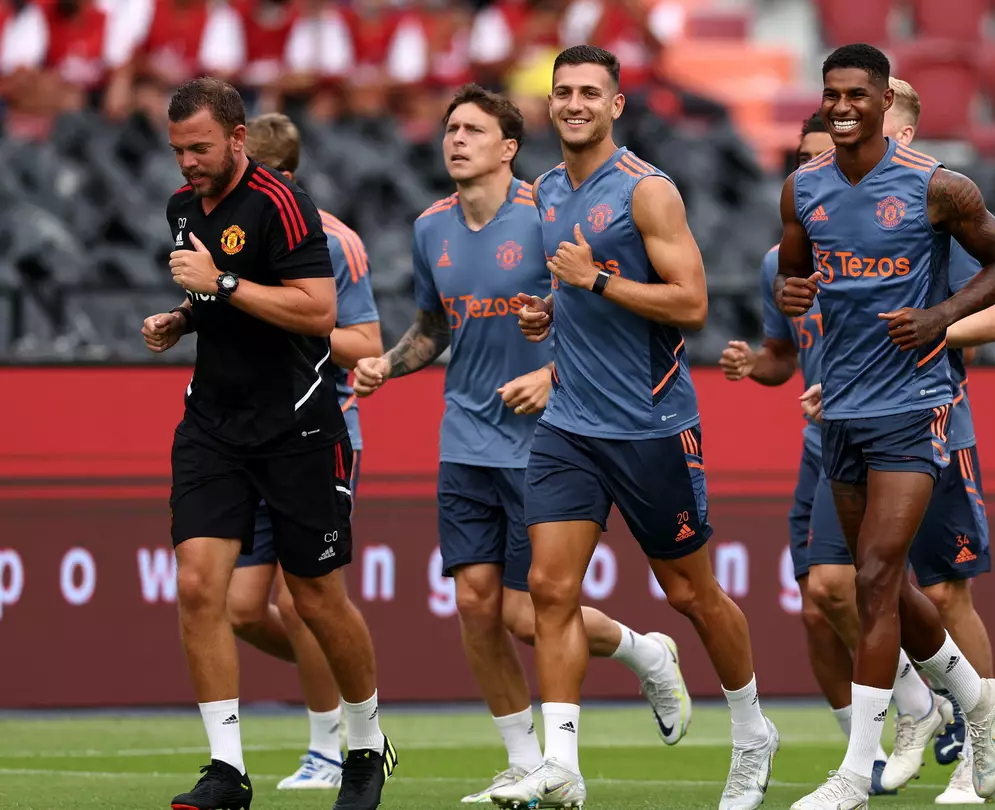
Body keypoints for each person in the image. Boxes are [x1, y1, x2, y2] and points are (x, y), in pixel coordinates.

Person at [349, 84, 690, 804]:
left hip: (549, 437)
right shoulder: (430, 228)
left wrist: (551, 372)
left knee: (528, 614)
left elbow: (605, 319)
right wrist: (390, 364)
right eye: (450, 128)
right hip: (464, 439)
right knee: (476, 605)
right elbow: (434, 326)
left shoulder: (547, 214)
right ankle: (523, 761)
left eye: (473, 129)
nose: (456, 140)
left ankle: (645, 652)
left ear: (508, 148)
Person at [491, 46, 778, 810]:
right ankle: (562, 765)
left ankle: (753, 734)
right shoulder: (546, 191)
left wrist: (599, 281)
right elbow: (582, 292)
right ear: (548, 105)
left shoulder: (648, 192)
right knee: (550, 590)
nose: (574, 103)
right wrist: (554, 308)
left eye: (590, 92)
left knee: (691, 593)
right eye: (563, 92)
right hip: (570, 425)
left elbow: (691, 305)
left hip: (652, 425)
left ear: (617, 104)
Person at [776, 44, 995, 810]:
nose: (841, 106)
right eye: (831, 95)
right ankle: (976, 698)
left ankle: (856, 772)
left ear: (886, 101)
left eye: (856, 94)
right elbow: (793, 281)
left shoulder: (937, 186)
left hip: (917, 406)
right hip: (840, 409)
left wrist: (943, 317)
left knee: (878, 578)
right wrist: (790, 302)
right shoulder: (801, 189)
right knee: (879, 580)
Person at [144, 76, 394, 810]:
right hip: (212, 424)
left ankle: (366, 743)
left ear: (237, 139)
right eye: (177, 150)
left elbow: (318, 311)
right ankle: (226, 769)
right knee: (199, 586)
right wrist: (182, 320)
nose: (187, 162)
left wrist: (218, 284)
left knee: (317, 601)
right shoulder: (182, 207)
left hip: (296, 424)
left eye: (199, 148)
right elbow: (215, 300)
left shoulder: (283, 205)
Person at [719, 112, 901, 799]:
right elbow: (781, 359)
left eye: (830, 159)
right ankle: (871, 752)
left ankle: (929, 707)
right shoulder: (780, 262)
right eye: (807, 163)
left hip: (891, 434)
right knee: (815, 609)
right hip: (820, 445)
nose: (819, 176)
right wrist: (752, 364)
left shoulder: (896, 243)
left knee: (864, 588)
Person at [220, 112, 382, 792]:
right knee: (242, 609)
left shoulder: (332, 240)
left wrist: (288, 322)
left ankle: (330, 746)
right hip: (249, 433)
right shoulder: (229, 235)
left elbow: (366, 343)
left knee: (304, 601)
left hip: (321, 430)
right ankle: (350, 685)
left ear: (281, 178)